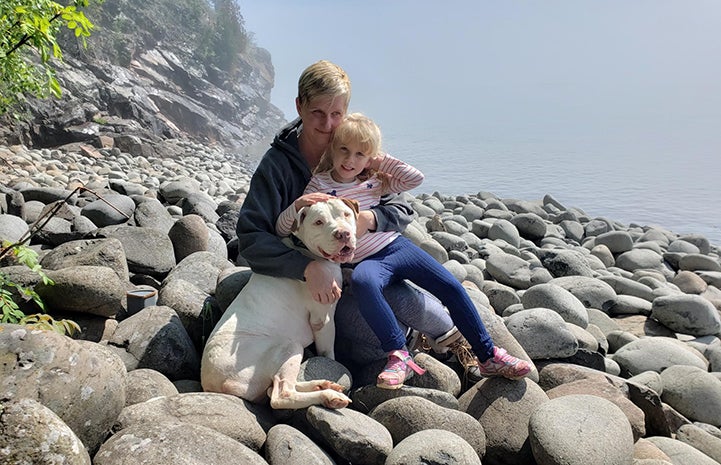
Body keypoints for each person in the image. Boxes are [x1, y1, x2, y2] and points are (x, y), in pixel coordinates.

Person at [276, 113, 532, 389]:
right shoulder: (320, 185)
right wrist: (299, 204)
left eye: (360, 153)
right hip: (366, 260)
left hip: (397, 247)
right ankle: (399, 357)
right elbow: (285, 225)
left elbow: (415, 178)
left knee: (450, 286)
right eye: (344, 150)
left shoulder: (375, 179)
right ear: (332, 148)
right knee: (364, 282)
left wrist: (375, 159)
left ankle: (488, 355)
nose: (350, 160)